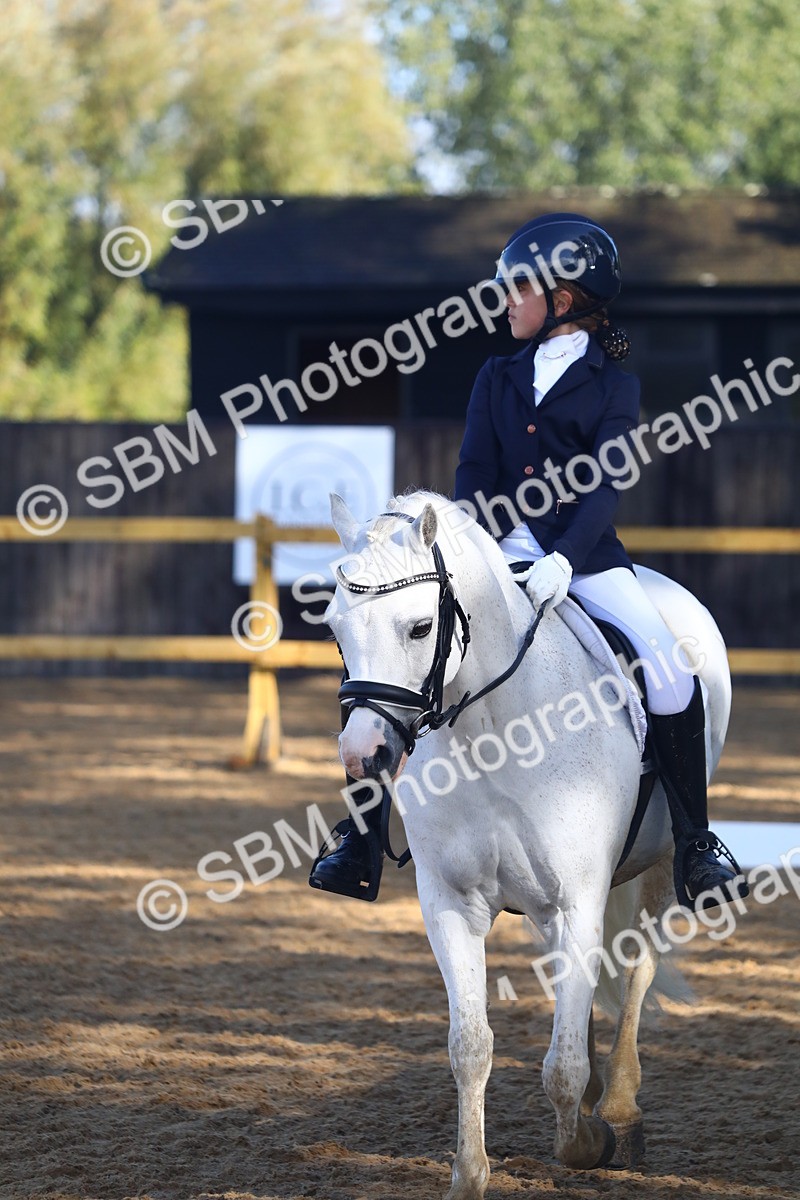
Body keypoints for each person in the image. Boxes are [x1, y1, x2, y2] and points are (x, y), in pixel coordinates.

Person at [310, 211, 746, 912]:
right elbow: (474, 471)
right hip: (497, 556)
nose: (506, 301)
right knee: (397, 650)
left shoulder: (614, 387)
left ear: (563, 301)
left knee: (668, 672)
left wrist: (567, 559)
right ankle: (362, 833)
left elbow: (603, 487)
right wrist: (473, 549)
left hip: (588, 562)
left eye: (519, 289)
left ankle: (696, 844)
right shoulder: (497, 376)